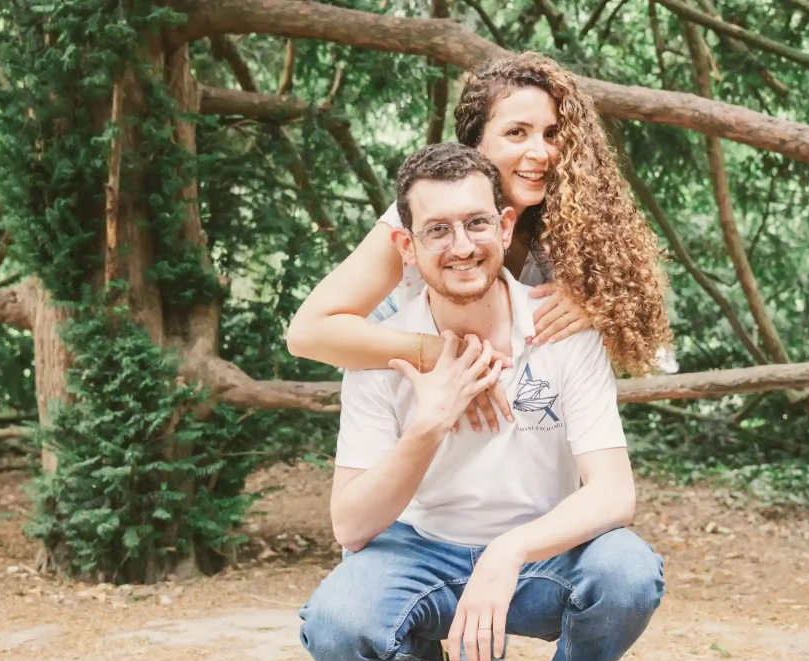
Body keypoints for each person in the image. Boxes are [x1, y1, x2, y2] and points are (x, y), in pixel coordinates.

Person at [297, 143, 665, 661]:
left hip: (539, 560)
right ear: (406, 245)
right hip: (420, 554)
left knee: (628, 573)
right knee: (339, 626)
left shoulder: (560, 329)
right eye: (438, 230)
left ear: (506, 227)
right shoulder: (382, 350)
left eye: (476, 223)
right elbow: (351, 526)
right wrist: (429, 425)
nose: (463, 247)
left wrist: (508, 551)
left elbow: (614, 493)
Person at [285, 52, 672, 431]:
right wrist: (447, 356)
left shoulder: (573, 219)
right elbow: (308, 333)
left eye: (552, 134)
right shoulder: (425, 217)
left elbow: (638, 312)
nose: (540, 152)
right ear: (475, 145)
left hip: (522, 423)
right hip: (411, 403)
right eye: (516, 132)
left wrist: (595, 305)